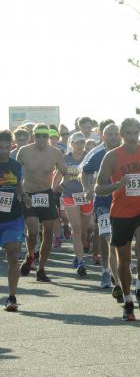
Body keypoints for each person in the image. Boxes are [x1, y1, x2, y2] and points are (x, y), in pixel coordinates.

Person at [95, 118, 140, 321]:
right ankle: (128, 299)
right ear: (122, 135)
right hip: (121, 212)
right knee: (124, 259)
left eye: (136, 133)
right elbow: (98, 187)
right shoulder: (112, 156)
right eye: (129, 133)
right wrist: (117, 185)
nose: (132, 137)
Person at [16, 123, 69, 282]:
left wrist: (59, 185)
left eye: (44, 135)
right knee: (32, 231)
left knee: (48, 233)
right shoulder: (24, 151)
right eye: (38, 135)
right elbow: (16, 174)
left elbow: (65, 172)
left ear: (49, 137)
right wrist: (20, 193)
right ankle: (31, 254)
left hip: (46, 194)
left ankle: (41, 269)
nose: (41, 138)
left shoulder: (55, 152)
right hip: (29, 194)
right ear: (33, 136)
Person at [81, 124, 122, 290]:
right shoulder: (98, 155)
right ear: (103, 137)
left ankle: (117, 269)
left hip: (123, 202)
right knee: (106, 236)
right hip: (103, 201)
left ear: (120, 136)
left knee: (119, 239)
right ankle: (106, 271)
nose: (113, 137)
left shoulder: (126, 153)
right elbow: (85, 171)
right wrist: (86, 189)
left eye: (115, 134)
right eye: (109, 134)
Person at [54, 132, 93, 278]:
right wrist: (53, 189)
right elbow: (58, 175)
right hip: (70, 196)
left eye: (82, 142)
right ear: (71, 144)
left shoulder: (89, 157)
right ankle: (81, 262)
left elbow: (96, 176)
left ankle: (79, 252)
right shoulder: (65, 159)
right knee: (76, 229)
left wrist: (92, 189)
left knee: (84, 229)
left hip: (86, 197)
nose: (79, 145)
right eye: (77, 142)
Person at [0, 130, 26, 311]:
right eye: (0, 148)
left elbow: (18, 186)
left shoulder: (16, 165)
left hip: (13, 217)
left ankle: (11, 297)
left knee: (13, 256)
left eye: (6, 147)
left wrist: (24, 195)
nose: (3, 151)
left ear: (12, 146)